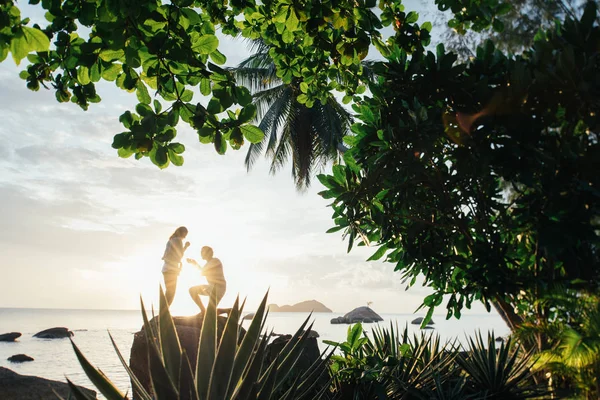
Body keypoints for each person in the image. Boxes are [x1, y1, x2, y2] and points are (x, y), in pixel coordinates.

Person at [187, 246, 226, 313]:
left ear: (208, 253)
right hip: (211, 287)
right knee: (192, 290)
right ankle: (203, 310)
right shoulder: (209, 263)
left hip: (218, 288)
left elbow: (202, 272)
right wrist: (194, 264)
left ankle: (228, 310)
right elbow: (203, 272)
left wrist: (194, 264)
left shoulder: (215, 261)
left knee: (210, 312)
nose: (201, 253)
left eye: (202, 251)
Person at [162, 226, 190, 306]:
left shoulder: (171, 240)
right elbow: (179, 255)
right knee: (171, 292)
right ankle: (164, 313)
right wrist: (186, 246)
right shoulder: (178, 240)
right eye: (185, 233)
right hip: (172, 269)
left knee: (168, 292)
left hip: (166, 268)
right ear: (182, 232)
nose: (185, 236)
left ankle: (163, 312)